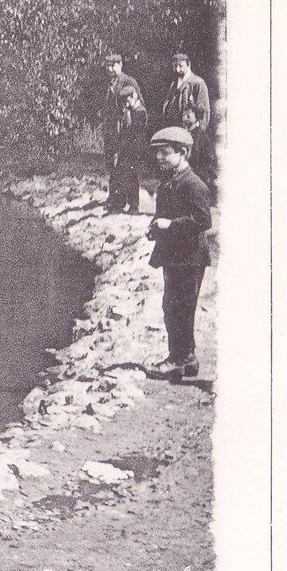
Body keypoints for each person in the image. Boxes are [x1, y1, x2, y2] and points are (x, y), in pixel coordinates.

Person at [145, 126, 213, 382]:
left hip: (190, 257)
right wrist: (155, 228)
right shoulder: (169, 181)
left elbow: (203, 221)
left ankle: (178, 359)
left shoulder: (193, 184)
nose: (159, 158)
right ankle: (185, 358)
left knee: (181, 307)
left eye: (165, 153)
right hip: (174, 255)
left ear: (183, 152)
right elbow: (164, 213)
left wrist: (171, 226)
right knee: (173, 306)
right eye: (157, 154)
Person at [100, 52, 149, 213]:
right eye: (107, 66)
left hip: (126, 131)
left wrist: (128, 118)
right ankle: (114, 199)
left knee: (125, 167)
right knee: (114, 166)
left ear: (120, 64)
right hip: (113, 131)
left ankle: (123, 202)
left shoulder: (128, 81)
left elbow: (138, 103)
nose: (109, 69)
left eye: (112, 65)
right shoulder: (110, 83)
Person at [162, 51, 215, 181]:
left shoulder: (197, 83)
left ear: (188, 64)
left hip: (191, 133)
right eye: (174, 66)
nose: (177, 69)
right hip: (176, 131)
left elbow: (203, 111)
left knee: (191, 165)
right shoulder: (174, 84)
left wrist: (198, 135)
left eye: (180, 66)